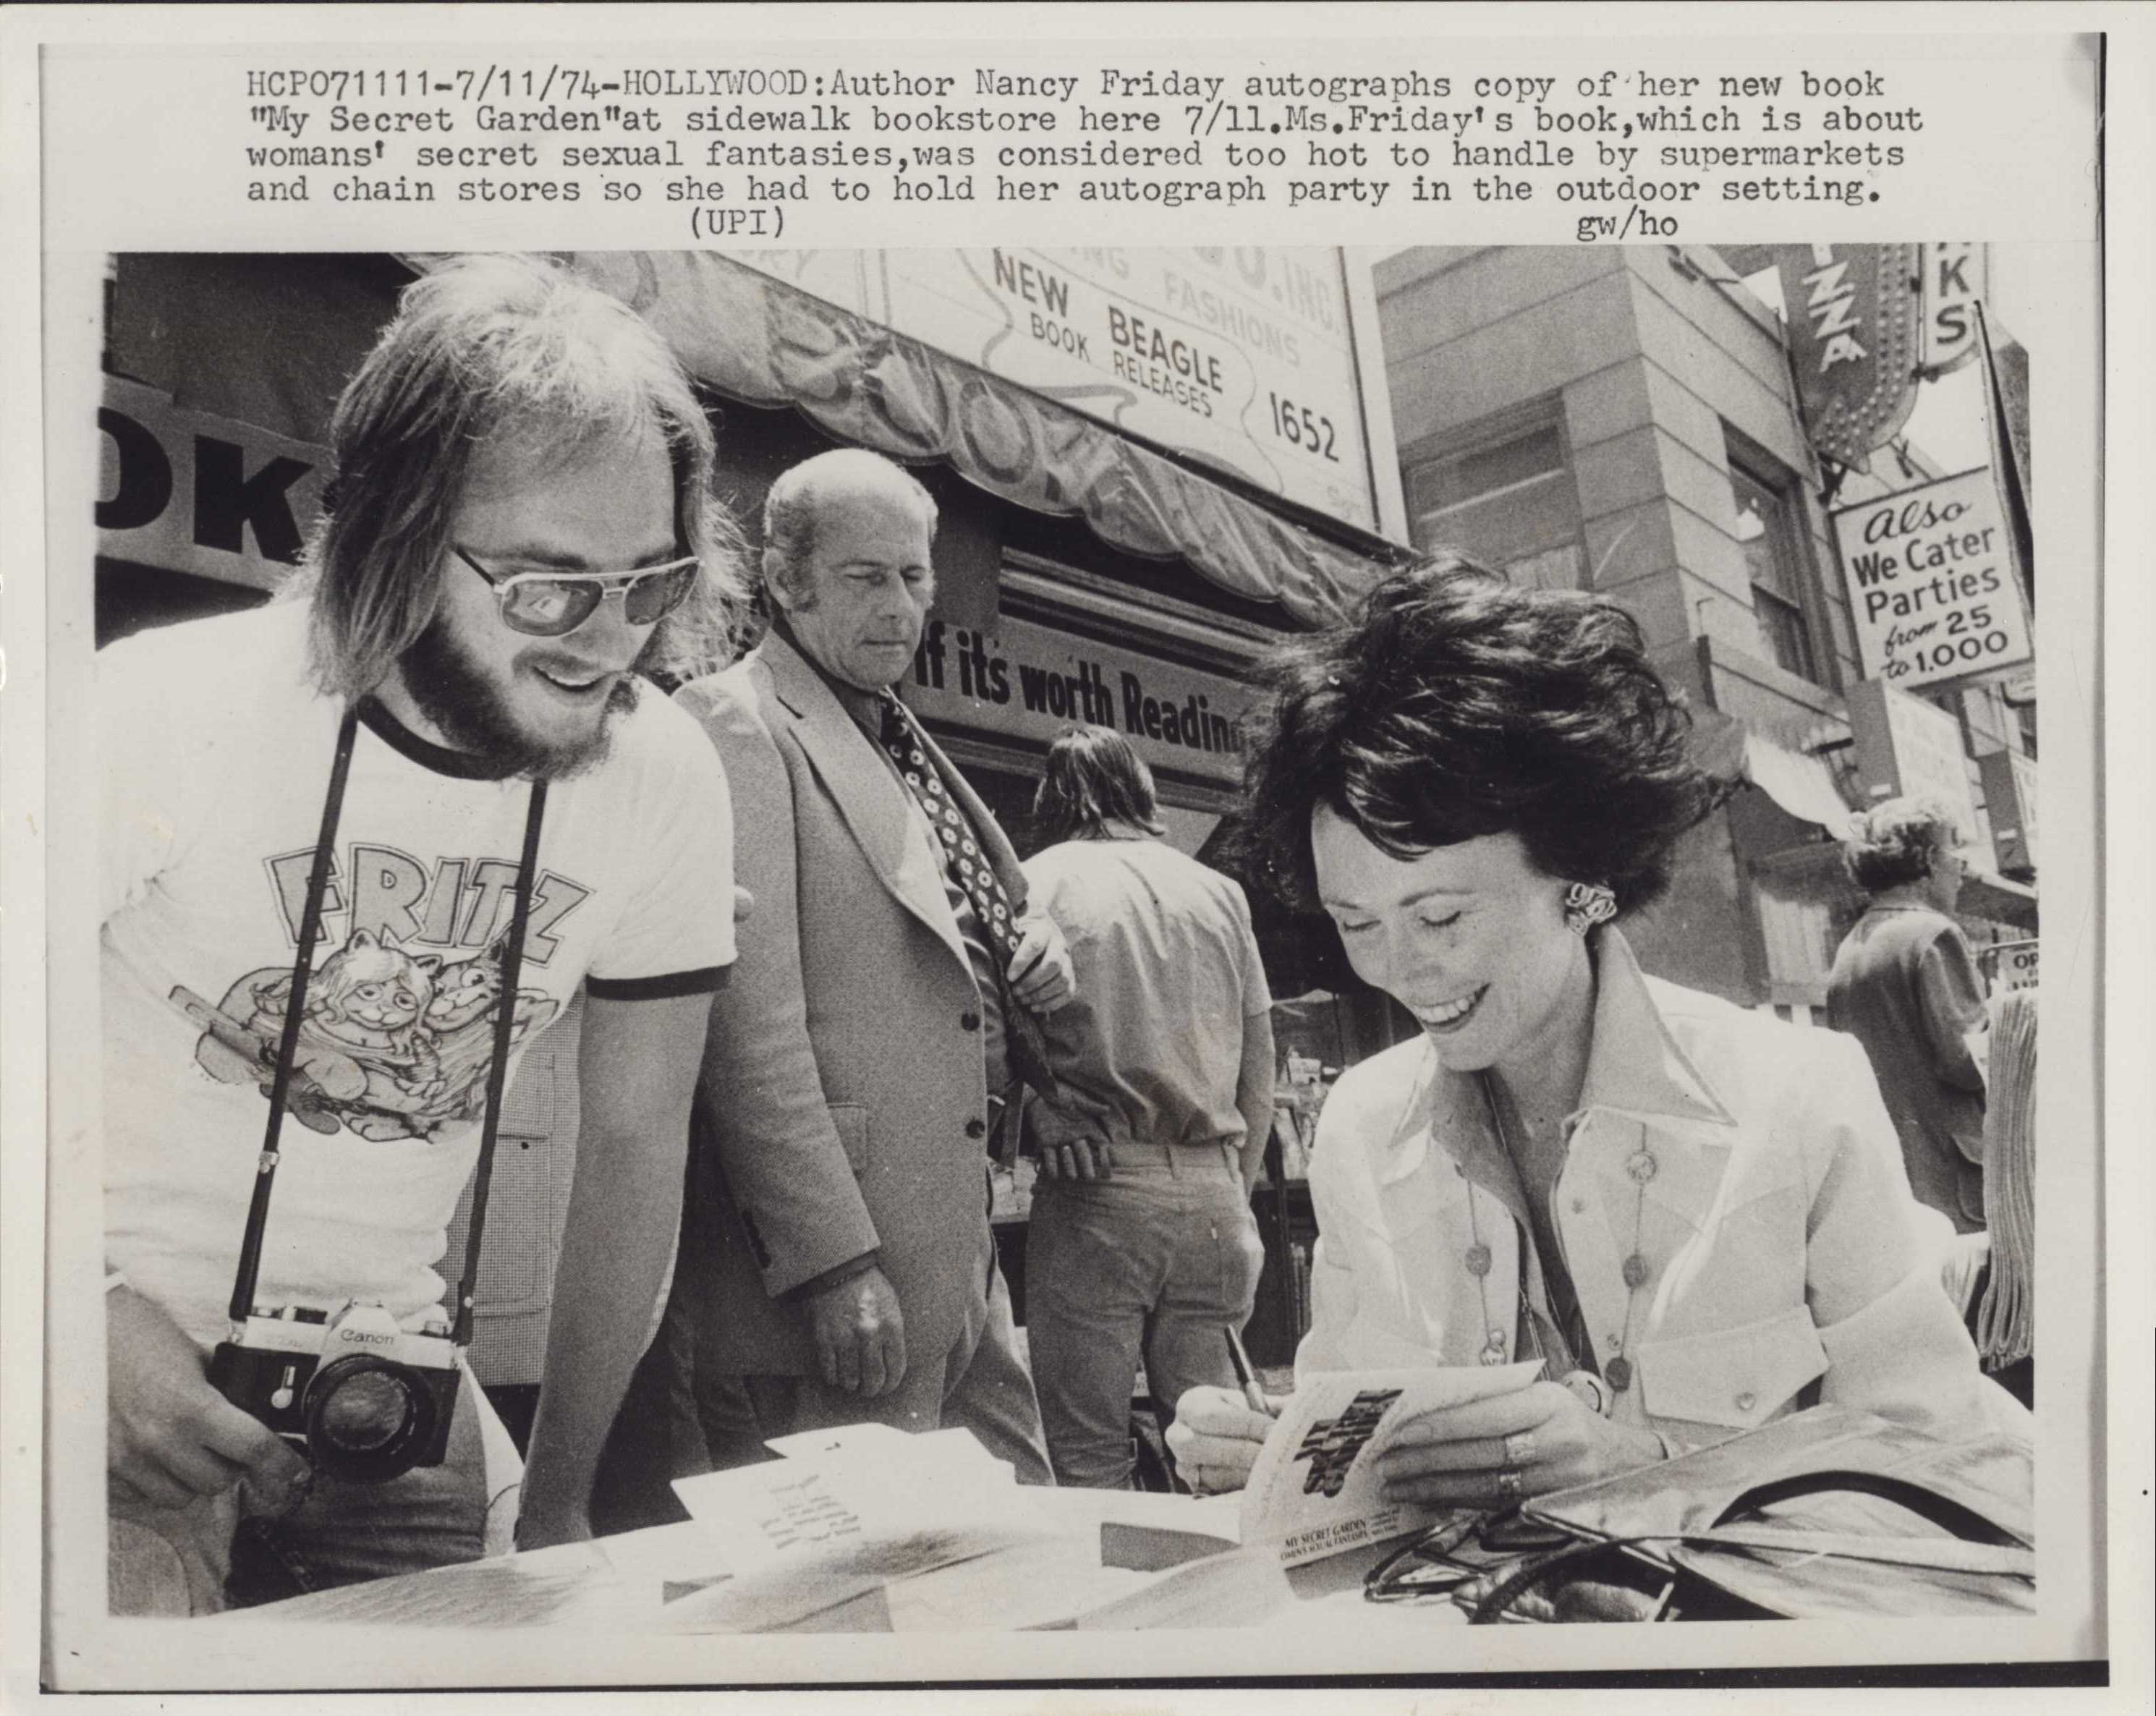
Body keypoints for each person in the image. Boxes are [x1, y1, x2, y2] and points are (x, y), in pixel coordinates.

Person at [99, 253, 746, 1614]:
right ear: (394, 528)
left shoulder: (666, 776)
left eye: (649, 583)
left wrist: (564, 1497)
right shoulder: (166, 706)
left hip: (388, 1379)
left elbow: (635, 1147)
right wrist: (60, 1323)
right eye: (547, 587)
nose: (610, 641)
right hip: (102, 1353)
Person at [1166, 558, 2024, 1506]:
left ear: (1579, 879)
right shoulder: (1360, 1131)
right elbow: (1351, 1443)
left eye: (1443, 918)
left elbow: (1941, 1463)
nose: (1402, 970)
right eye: (1357, 925)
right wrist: (1274, 1455)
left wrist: (1647, 1472)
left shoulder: (1797, 1099)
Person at [625, 447, 1070, 1495]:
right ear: (785, 581)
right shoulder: (736, 721)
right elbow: (750, 1026)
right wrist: (833, 1262)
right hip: (839, 1283)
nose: (903, 606)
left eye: (916, 577)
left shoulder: (893, 733)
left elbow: (940, 913)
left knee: (1027, 1547)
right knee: (869, 1604)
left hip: (953, 1258)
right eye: (868, 577)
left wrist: (1029, 934)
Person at [1017, 726, 1275, 1488]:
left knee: (1089, 1457)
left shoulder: (1034, 882)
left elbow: (993, 1031)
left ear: (1051, 797)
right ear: (1143, 792)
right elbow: (1259, 1072)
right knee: (1216, 1456)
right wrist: (1235, 1185)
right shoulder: (1218, 892)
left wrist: (1037, 1108)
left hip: (1099, 1190)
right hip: (1214, 1195)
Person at [1826, 798, 1990, 1233]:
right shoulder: (1934, 934)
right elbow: (1969, 1063)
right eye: (1955, 851)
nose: (1963, 869)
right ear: (1931, 861)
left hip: (1894, 1183)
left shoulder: (1851, 947)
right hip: (1957, 1182)